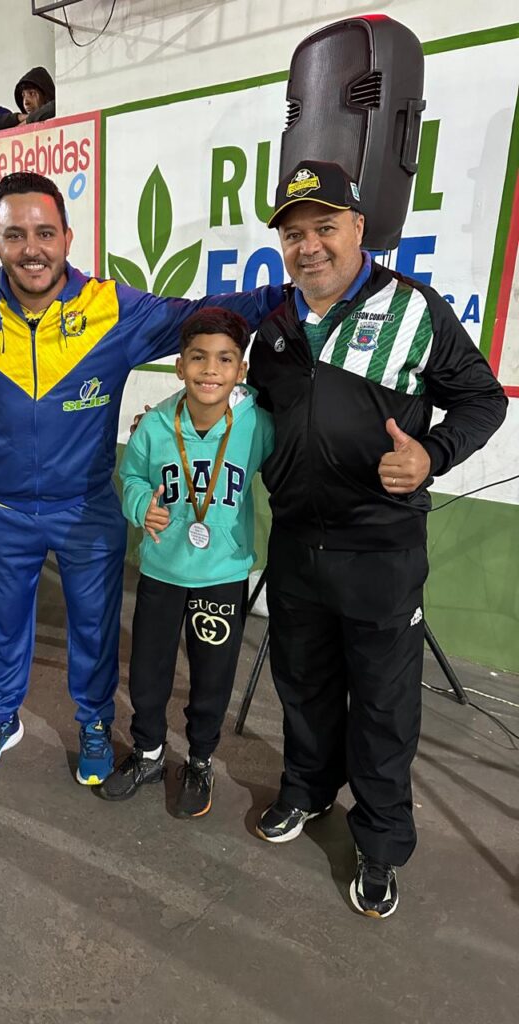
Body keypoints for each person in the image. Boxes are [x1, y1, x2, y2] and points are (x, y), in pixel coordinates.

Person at [0, 171, 282, 785]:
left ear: (67, 237)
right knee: (3, 625)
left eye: (45, 232)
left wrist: (295, 296)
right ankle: (1, 717)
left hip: (86, 508)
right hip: (3, 507)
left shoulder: (109, 307)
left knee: (96, 628)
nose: (32, 248)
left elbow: (204, 315)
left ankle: (96, 723)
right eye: (15, 234)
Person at [247, 160, 507, 917]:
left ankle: (382, 842)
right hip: (296, 545)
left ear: (359, 228)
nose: (309, 247)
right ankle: (306, 791)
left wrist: (433, 454)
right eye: (294, 235)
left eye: (324, 228)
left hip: (381, 550)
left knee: (386, 707)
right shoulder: (276, 328)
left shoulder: (414, 310)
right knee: (304, 684)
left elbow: (481, 399)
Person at [98, 308, 274, 817]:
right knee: (149, 669)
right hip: (161, 570)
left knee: (212, 673)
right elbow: (130, 477)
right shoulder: (154, 426)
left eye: (224, 359)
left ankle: (199, 759)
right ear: (179, 366)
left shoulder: (255, 425)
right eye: (198, 358)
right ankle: (149, 752)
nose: (210, 370)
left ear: (241, 370)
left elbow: (289, 462)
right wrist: (138, 505)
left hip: (223, 574)